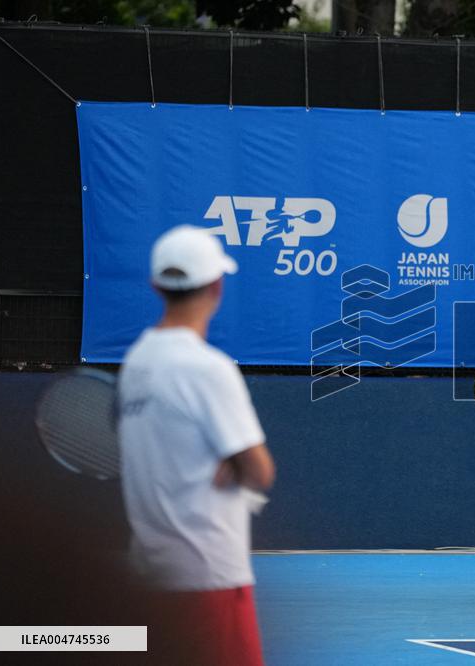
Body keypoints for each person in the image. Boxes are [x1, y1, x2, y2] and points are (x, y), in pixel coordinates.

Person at [117, 225, 276, 664]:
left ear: (156, 287)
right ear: (216, 286)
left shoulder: (136, 363)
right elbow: (261, 470)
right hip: (209, 579)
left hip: (151, 576)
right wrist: (237, 462)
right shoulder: (208, 369)